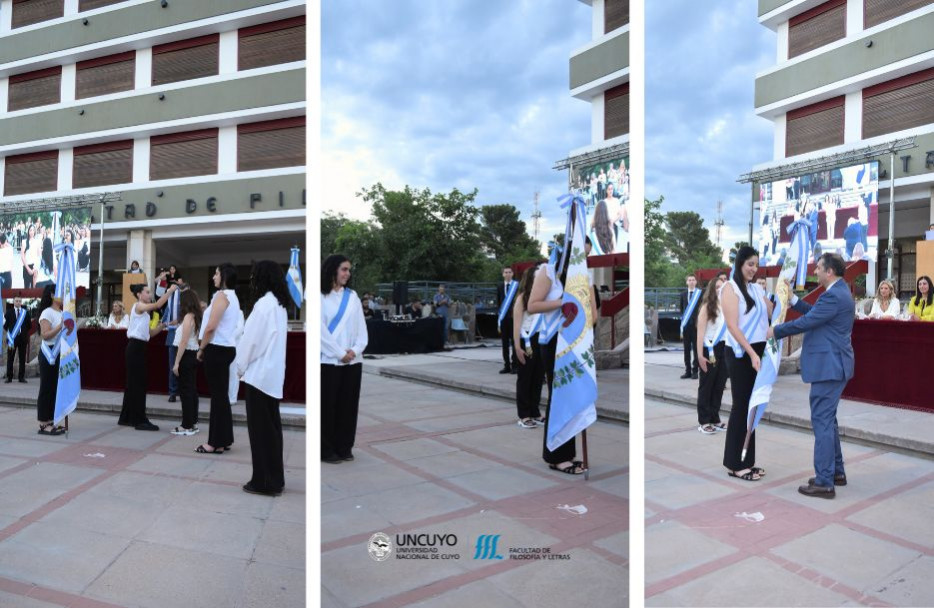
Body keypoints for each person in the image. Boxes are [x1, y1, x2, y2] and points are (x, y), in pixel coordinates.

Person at [769, 253, 854, 498]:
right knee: (829, 420)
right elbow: (815, 313)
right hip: (834, 365)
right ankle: (836, 472)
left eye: (818, 268)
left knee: (822, 422)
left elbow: (807, 321)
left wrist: (775, 331)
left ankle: (824, 481)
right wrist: (793, 299)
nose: (815, 271)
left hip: (830, 367)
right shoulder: (837, 293)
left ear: (830, 272)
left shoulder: (834, 295)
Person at [527, 252, 596, 476]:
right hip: (553, 342)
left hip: (575, 342)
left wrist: (580, 311)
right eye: (579, 249)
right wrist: (563, 302)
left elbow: (593, 315)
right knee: (560, 397)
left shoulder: (585, 274)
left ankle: (565, 453)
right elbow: (533, 305)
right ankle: (557, 457)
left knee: (574, 397)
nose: (583, 254)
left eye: (586, 251)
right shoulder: (549, 271)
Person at [236, 261, 290, 496]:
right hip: (272, 377)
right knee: (272, 432)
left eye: (254, 276)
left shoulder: (263, 305)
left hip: (259, 378)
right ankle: (275, 478)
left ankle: (264, 481)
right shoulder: (279, 305)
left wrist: (239, 367)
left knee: (260, 433)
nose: (252, 281)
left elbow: (251, 342)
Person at [721, 246, 773, 482]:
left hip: (759, 351)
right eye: (749, 264)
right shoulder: (729, 289)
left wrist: (782, 295)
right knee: (741, 406)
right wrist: (752, 353)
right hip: (742, 353)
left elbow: (770, 313)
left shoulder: (755, 288)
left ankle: (747, 461)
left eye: (756, 264)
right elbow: (733, 326)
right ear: (740, 263)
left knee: (754, 407)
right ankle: (734, 463)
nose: (753, 268)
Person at [321, 254, 368, 464]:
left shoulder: (353, 296)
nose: (347, 274)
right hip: (328, 362)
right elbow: (320, 332)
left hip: (352, 361)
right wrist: (340, 353)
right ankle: (325, 449)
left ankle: (344, 446)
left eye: (349, 270)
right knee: (328, 407)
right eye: (344, 269)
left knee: (348, 406)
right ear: (332, 270)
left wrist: (355, 351)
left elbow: (362, 330)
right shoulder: (319, 296)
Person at [195, 263, 241, 454]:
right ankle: (223, 440)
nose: (213, 277)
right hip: (225, 348)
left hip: (217, 348)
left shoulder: (222, 296)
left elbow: (211, 327)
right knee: (221, 396)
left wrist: (201, 347)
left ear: (224, 276)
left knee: (218, 397)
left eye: (216, 273)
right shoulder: (233, 296)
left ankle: (214, 442)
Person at [118, 282, 176, 431]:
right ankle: (139, 420)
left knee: (133, 383)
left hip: (138, 347)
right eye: (147, 292)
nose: (149, 294)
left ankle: (127, 417)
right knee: (138, 384)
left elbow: (149, 334)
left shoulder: (143, 312)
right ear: (139, 295)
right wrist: (169, 291)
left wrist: (164, 325)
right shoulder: (138, 306)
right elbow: (157, 305)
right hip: (135, 348)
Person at [512, 264, 545, 429]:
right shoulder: (522, 298)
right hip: (526, 340)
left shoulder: (542, 298)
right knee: (525, 378)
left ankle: (535, 411)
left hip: (540, 339)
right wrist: (517, 347)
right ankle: (524, 415)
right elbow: (516, 325)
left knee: (538, 377)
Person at [36, 285, 71, 435]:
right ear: (52, 294)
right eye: (60, 293)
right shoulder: (47, 312)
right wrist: (61, 325)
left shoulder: (62, 312)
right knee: (46, 388)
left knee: (55, 389)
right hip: (48, 353)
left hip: (59, 354)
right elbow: (45, 335)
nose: (63, 295)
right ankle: (43, 423)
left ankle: (51, 420)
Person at [695, 277, 728, 434]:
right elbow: (700, 334)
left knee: (719, 385)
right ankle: (703, 421)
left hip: (724, 348)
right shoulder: (707, 307)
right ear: (712, 289)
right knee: (706, 385)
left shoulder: (727, 307)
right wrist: (700, 356)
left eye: (722, 287)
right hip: (709, 348)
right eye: (717, 287)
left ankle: (715, 418)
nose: (720, 290)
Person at [170, 289, 202, 436]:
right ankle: (193, 423)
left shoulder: (189, 317)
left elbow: (183, 341)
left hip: (186, 356)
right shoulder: (195, 316)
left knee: (186, 392)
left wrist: (176, 362)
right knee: (191, 391)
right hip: (191, 355)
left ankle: (187, 425)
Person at [163, 276, 185, 403]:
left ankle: (182, 390)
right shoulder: (168, 299)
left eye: (173, 285)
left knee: (182, 364)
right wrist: (163, 323)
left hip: (183, 332)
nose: (171, 287)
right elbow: (166, 313)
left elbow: (186, 312)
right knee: (172, 365)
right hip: (172, 333)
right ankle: (172, 392)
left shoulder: (183, 296)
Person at [497, 267, 519, 374]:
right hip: (503, 319)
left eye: (510, 272)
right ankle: (506, 365)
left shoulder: (516, 286)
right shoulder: (500, 287)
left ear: (513, 273)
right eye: (506, 272)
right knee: (504, 343)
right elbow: (499, 302)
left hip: (514, 318)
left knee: (515, 342)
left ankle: (515, 365)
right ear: (503, 274)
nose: (508, 274)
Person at [5, 297, 32, 383]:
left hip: (22, 339)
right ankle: (9, 377)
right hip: (12, 339)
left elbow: (29, 325)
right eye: (16, 301)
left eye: (20, 301)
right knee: (10, 358)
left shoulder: (25, 313)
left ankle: (21, 377)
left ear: (21, 302)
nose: (18, 302)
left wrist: (23, 332)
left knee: (22, 358)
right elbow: (5, 325)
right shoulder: (9, 312)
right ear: (13, 302)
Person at [679, 274, 701, 379]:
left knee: (696, 349)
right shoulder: (683, 294)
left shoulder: (700, 294)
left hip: (696, 326)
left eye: (693, 280)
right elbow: (681, 310)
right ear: (687, 282)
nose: (691, 281)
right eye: (689, 280)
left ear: (696, 282)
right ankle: (687, 370)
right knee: (686, 349)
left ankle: (695, 370)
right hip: (686, 326)